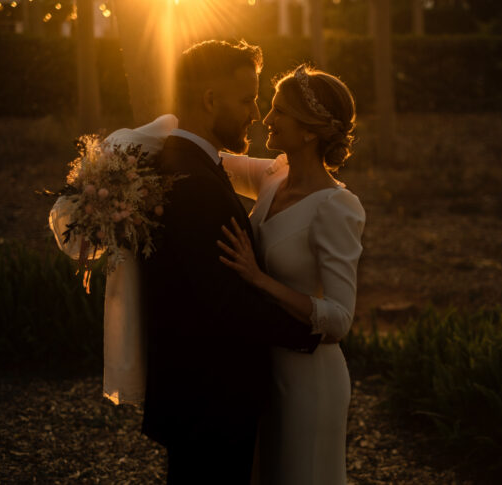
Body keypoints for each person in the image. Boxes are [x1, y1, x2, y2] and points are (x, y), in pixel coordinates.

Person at [138, 41, 322, 484]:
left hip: (194, 396)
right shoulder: (195, 182)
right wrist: (311, 329)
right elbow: (225, 301)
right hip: (211, 402)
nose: (255, 114)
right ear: (208, 100)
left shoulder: (182, 162)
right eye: (246, 100)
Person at [218, 64, 365, 485]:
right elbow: (207, 157)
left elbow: (339, 319)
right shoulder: (271, 177)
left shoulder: (337, 208)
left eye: (279, 111)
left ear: (309, 131)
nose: (266, 118)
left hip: (310, 380)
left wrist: (258, 278)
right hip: (265, 369)